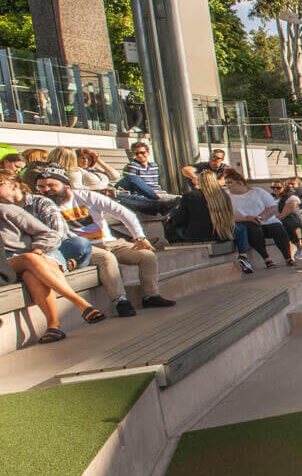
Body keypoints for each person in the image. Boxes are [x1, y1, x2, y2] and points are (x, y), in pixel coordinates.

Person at [34, 165, 175, 315]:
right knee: (107, 258)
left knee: (147, 256)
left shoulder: (86, 196)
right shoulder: (43, 206)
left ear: (66, 185)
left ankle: (151, 296)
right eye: (41, 187)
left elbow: (124, 213)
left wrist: (139, 237)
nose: (46, 189)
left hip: (109, 242)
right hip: (83, 247)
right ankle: (120, 301)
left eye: (52, 185)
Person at [2, 176, 106, 341]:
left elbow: (49, 234)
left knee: (32, 274)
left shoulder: (8, 210)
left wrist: (39, 248)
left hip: (27, 258)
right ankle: (80, 302)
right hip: (7, 263)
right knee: (31, 259)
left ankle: (53, 326)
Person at [222, 168, 292, 272]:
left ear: (240, 182)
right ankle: (267, 259)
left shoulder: (258, 191)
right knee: (254, 230)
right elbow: (227, 215)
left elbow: (272, 207)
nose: (228, 185)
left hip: (266, 220)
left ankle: (288, 258)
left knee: (278, 228)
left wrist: (260, 217)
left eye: (230, 182)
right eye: (226, 183)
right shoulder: (227, 196)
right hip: (247, 222)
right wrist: (248, 218)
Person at [115, 141, 179, 214]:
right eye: (136, 153)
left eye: (142, 152)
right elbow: (132, 187)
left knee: (183, 200)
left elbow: (155, 184)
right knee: (178, 201)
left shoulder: (154, 166)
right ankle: (160, 203)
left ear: (148, 152)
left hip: (160, 194)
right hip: (145, 197)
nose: (139, 155)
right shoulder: (132, 166)